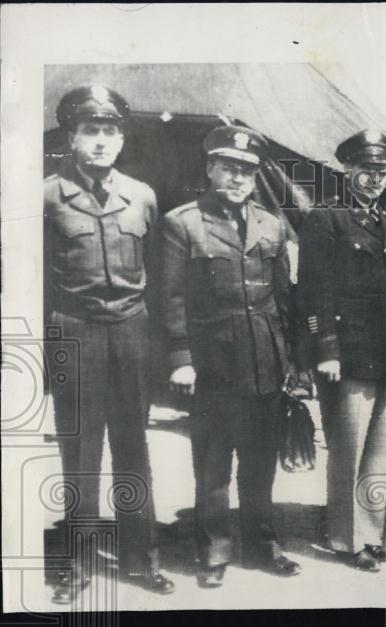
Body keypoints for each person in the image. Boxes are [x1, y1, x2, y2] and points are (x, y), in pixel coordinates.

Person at [44, 85, 174, 603]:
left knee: (133, 447)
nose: (100, 141)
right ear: (72, 137)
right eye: (89, 131)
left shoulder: (142, 195)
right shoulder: (46, 195)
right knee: (80, 454)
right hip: (73, 331)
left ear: (121, 139)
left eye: (109, 131)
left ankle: (141, 558)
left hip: (131, 331)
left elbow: (158, 276)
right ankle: (76, 565)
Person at [160, 125, 302, 587]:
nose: (239, 178)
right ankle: (214, 551)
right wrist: (180, 357)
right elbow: (171, 298)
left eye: (247, 170)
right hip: (213, 365)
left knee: (260, 465)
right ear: (210, 169)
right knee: (214, 467)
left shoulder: (272, 224)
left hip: (266, 361)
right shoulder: (183, 222)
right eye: (230, 168)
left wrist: (292, 361)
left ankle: (263, 546)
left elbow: (283, 299)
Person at [296, 129, 386, 573]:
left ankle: (372, 532)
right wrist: (325, 348)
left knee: (378, 451)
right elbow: (313, 291)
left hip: (385, 354)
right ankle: (346, 539)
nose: (374, 179)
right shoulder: (327, 219)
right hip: (346, 354)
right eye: (366, 171)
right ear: (348, 170)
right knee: (347, 450)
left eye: (380, 171)